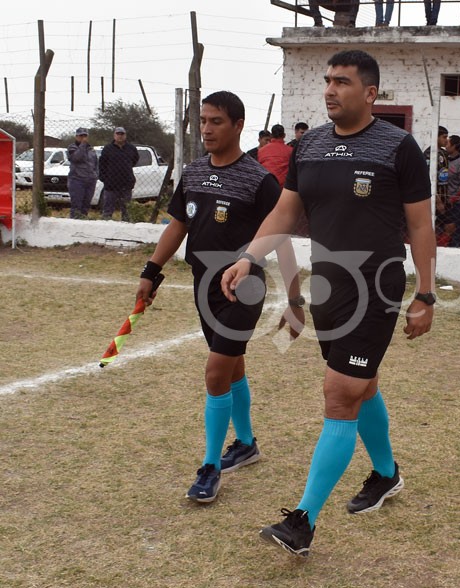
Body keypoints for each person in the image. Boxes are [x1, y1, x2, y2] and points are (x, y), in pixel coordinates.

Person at [220, 50, 435, 557]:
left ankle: (302, 521)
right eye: (327, 81)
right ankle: (386, 474)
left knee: (340, 394)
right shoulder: (310, 144)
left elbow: (421, 225)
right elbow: (285, 210)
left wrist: (425, 294)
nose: (330, 90)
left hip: (376, 286)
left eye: (342, 82)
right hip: (330, 289)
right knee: (362, 386)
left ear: (370, 93)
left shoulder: (398, 148)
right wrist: (250, 256)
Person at [135, 91, 304, 504]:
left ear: (238, 125)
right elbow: (178, 226)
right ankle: (245, 443)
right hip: (202, 283)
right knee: (231, 365)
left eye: (216, 122)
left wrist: (295, 300)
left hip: (243, 287)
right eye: (203, 121)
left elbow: (280, 239)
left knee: (214, 372)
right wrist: (150, 273)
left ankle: (210, 468)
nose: (207, 129)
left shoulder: (259, 180)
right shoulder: (192, 173)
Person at [99, 127, 140, 222]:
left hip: (126, 184)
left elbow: (134, 160)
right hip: (111, 184)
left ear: (125, 135)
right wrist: (104, 179)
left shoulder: (131, 148)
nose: (120, 136)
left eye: (122, 134)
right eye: (118, 134)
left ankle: (126, 225)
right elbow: (102, 164)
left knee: (126, 210)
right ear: (114, 135)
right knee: (108, 209)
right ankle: (105, 224)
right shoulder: (108, 148)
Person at [426, 127, 450, 246]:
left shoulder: (444, 153)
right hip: (433, 199)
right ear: (436, 136)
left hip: (445, 197)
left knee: (448, 227)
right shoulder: (429, 154)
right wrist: (438, 200)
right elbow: (427, 179)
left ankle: (440, 248)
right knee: (437, 227)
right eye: (444, 137)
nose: (447, 140)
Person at [67, 127, 98, 219]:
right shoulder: (72, 147)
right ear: (76, 136)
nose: (83, 138)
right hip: (77, 180)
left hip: (90, 180)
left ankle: (83, 222)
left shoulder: (91, 149)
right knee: (77, 206)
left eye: (85, 135)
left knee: (86, 206)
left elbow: (96, 163)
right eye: (81, 136)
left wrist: (95, 175)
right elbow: (76, 158)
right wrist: (83, 145)